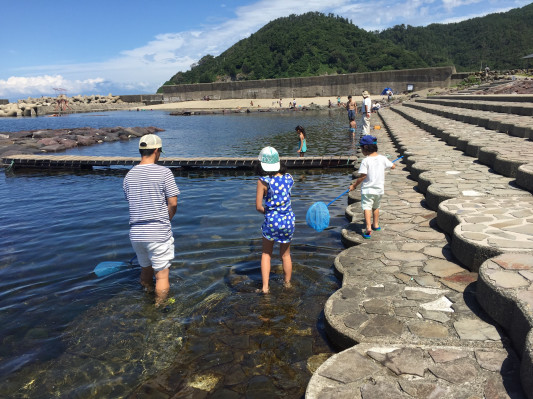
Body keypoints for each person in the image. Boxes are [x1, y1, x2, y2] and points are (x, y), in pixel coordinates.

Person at [123, 134, 179, 306]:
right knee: (162, 275)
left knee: (145, 270)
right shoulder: (164, 172)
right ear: (156, 151)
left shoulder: (129, 176)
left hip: (136, 234)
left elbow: (131, 201)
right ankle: (159, 309)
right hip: (157, 232)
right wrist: (167, 218)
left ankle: (146, 296)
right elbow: (173, 202)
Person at [255, 147, 295, 294]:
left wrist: (270, 212)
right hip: (288, 221)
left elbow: (259, 207)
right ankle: (287, 284)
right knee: (285, 254)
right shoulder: (289, 178)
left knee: (266, 254)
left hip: (272, 221)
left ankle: (265, 288)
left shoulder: (263, 181)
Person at [348, 135, 395, 239]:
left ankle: (368, 227)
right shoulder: (383, 158)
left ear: (365, 148)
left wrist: (354, 185)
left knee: (367, 208)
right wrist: (390, 165)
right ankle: (376, 225)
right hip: (379, 190)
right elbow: (393, 166)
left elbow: (363, 176)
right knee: (376, 207)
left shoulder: (366, 161)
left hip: (368, 190)